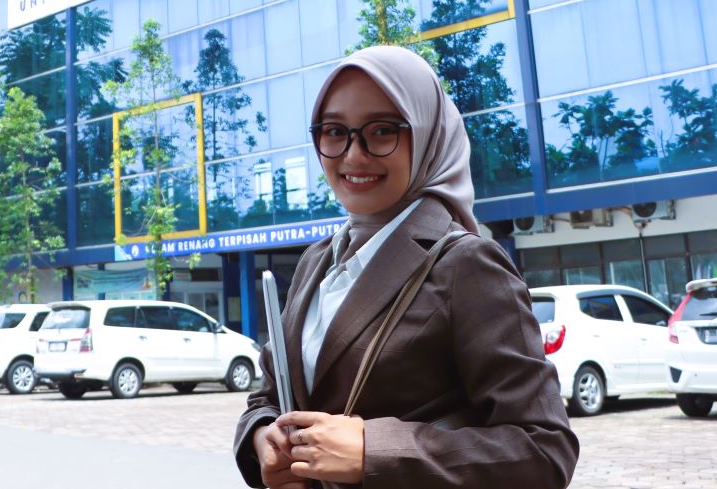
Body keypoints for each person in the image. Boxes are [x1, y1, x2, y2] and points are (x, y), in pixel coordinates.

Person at [233, 46, 579, 489]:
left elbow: (545, 449)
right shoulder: (315, 262)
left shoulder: (467, 263)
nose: (353, 156)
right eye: (335, 131)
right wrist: (264, 437)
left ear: (428, 136)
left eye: (381, 131)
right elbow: (268, 395)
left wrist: (372, 450)